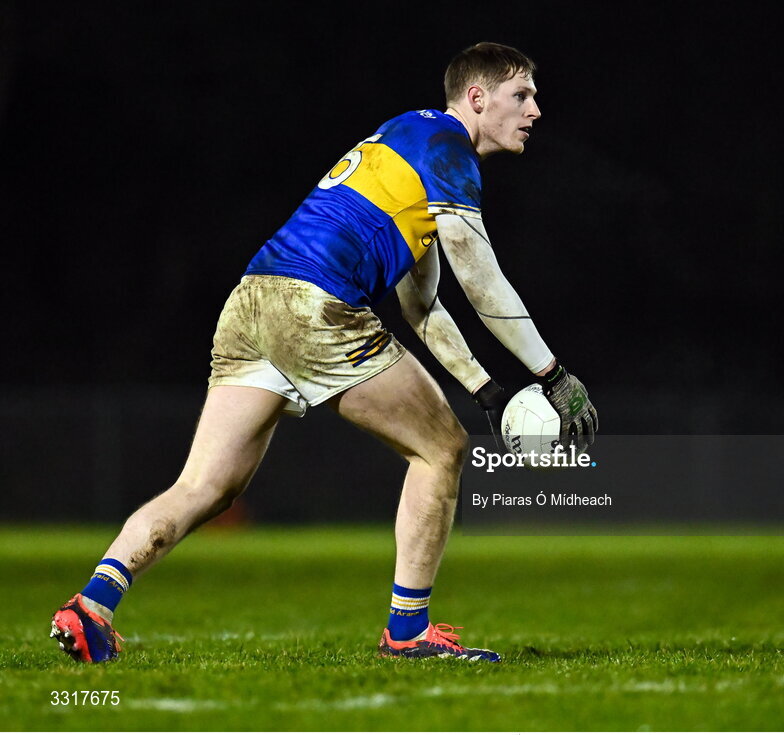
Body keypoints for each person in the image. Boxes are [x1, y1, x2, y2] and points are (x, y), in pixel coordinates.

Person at [49, 42, 597, 664]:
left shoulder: (410, 138)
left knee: (206, 484)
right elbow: (482, 278)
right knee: (440, 450)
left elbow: (423, 306)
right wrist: (550, 372)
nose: (534, 111)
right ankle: (408, 631)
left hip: (252, 300)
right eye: (521, 95)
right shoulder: (449, 150)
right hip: (314, 304)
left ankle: (91, 605)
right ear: (477, 98)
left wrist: (489, 393)